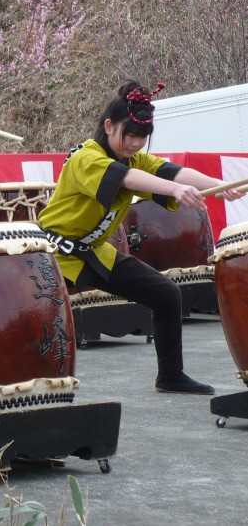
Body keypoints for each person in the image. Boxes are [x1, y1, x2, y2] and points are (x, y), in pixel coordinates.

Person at [37, 80, 244, 395]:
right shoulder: (86, 157)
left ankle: (171, 376)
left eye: (141, 138)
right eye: (129, 135)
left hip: (93, 252)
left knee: (166, 294)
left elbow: (170, 172)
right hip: (56, 256)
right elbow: (128, 179)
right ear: (108, 126)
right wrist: (175, 190)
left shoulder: (133, 160)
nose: (135, 143)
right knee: (34, 317)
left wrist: (218, 184)